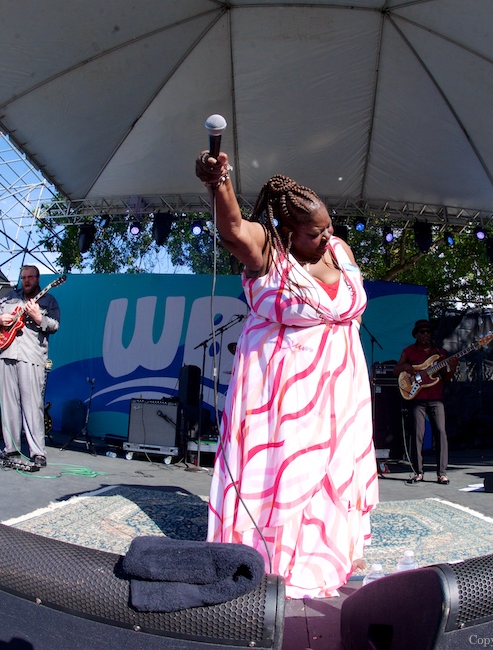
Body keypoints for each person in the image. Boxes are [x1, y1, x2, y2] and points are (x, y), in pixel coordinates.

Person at [195, 149, 379, 599]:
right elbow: (234, 227)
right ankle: (276, 555)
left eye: (329, 226)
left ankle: (333, 547)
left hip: (340, 388)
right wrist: (218, 182)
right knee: (291, 470)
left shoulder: (339, 248)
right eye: (316, 232)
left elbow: (348, 307)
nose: (328, 236)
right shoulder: (268, 250)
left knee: (335, 470)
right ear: (289, 232)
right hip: (285, 389)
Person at [0, 265, 60, 467]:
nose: (26, 280)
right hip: (7, 352)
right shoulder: (9, 297)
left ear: (37, 279)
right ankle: (11, 449)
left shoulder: (48, 300)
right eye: (23, 277)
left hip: (31, 355)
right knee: (9, 404)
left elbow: (55, 325)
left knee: (32, 405)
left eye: (30, 277)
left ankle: (38, 452)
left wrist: (38, 317)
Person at [393, 320, 457, 485]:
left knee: (441, 432)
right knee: (417, 434)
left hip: (436, 397)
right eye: (421, 332)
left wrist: (453, 367)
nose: (425, 334)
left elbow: (446, 378)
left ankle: (442, 473)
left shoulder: (440, 352)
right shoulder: (408, 351)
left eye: (428, 331)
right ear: (416, 335)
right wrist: (407, 367)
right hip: (417, 398)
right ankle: (418, 472)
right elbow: (396, 370)